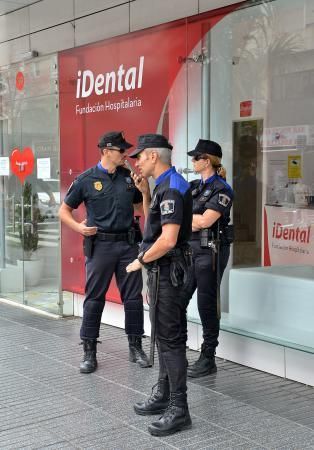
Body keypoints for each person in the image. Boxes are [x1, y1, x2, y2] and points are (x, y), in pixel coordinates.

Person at [58, 131, 150, 374]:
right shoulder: (86, 179)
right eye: (121, 150)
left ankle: (135, 346)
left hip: (127, 245)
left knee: (133, 297)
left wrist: (144, 190)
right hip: (100, 246)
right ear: (107, 151)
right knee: (94, 298)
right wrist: (79, 227)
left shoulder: (128, 178)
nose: (125, 155)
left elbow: (140, 207)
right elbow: (63, 210)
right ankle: (89, 351)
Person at [126, 133, 193, 437]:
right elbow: (156, 223)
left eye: (139, 156)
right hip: (164, 271)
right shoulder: (165, 185)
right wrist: (144, 193)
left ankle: (179, 410)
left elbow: (167, 239)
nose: (137, 162)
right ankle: (165, 396)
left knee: (170, 339)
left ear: (153, 156)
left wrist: (141, 260)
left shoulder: (173, 189)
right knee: (165, 336)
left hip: (169, 271)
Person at [186, 139, 234, 378]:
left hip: (211, 249)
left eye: (196, 158)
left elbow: (206, 221)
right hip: (190, 249)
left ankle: (208, 356)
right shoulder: (193, 186)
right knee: (179, 297)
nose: (192, 161)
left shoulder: (222, 188)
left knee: (206, 302)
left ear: (207, 161)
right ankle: (177, 349)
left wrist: (186, 221)